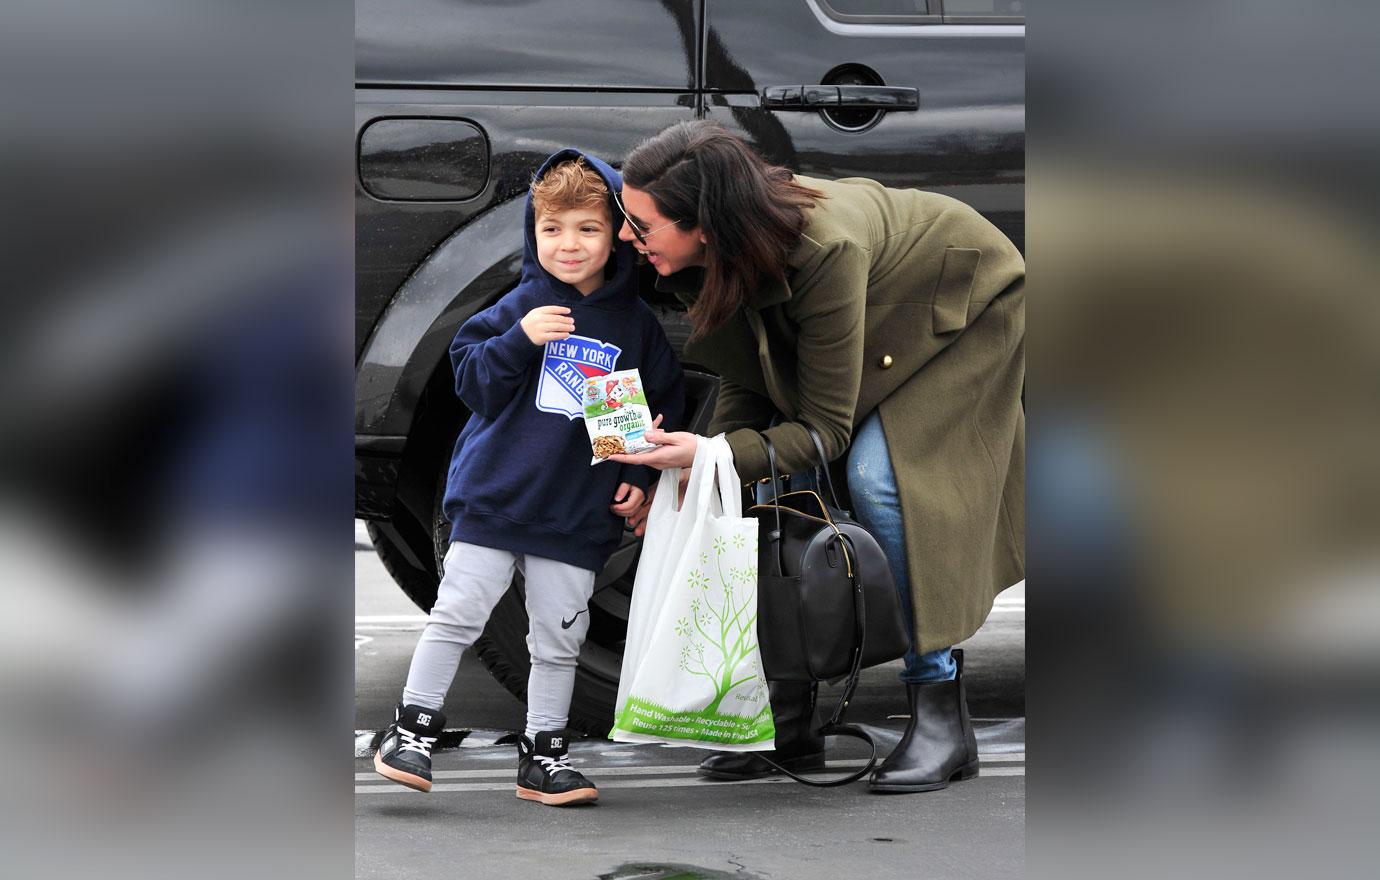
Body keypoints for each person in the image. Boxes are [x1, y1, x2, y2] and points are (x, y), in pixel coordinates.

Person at [608, 121, 1024, 793]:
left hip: (958, 305)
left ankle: (943, 714)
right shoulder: (718, 248)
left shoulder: (825, 250)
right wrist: (705, 461)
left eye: (641, 223)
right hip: (879, 305)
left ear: (704, 226)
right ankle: (791, 720)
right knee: (771, 470)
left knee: (877, 477)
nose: (626, 235)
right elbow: (749, 378)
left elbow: (825, 428)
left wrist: (714, 453)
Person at [373, 150, 685, 806]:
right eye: (553, 229)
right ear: (532, 232)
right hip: (495, 499)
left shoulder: (633, 327)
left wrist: (635, 476)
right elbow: (474, 386)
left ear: (616, 234)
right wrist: (521, 338)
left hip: (573, 515)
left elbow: (649, 410)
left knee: (558, 639)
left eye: (588, 229)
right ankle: (412, 731)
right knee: (457, 614)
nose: (568, 245)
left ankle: (544, 754)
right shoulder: (520, 306)